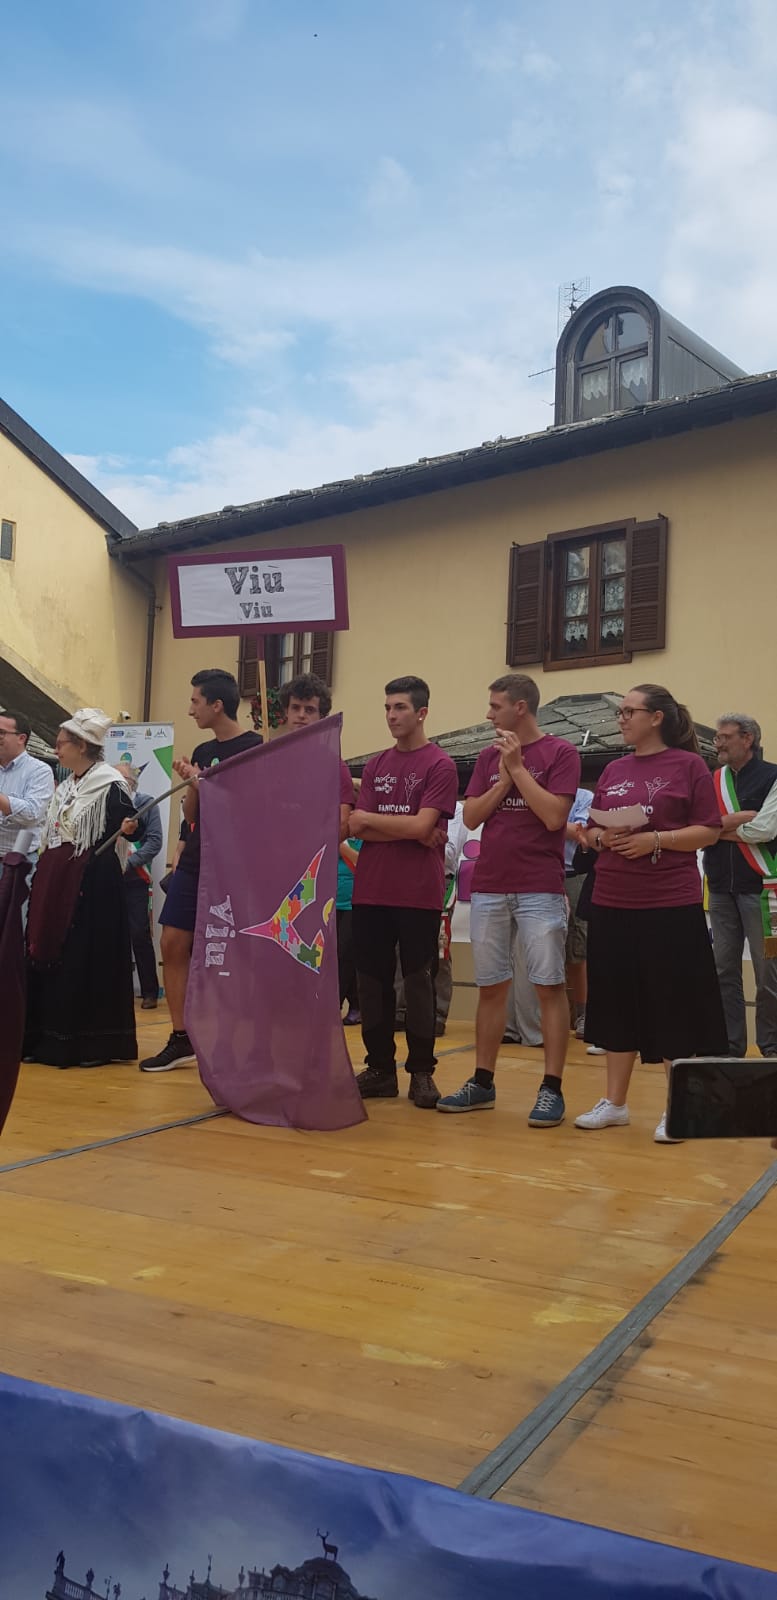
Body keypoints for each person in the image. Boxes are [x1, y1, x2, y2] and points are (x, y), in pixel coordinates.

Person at [574, 684, 727, 1141]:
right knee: (614, 1002)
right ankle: (615, 1103)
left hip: (669, 903)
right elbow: (593, 829)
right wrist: (600, 838)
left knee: (671, 1004)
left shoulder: (689, 765)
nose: (620, 719)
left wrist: (655, 840)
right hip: (612, 899)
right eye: (620, 712)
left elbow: (709, 831)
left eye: (629, 711)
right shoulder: (614, 769)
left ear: (656, 717)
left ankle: (679, 1107)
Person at [437, 674, 579, 1126]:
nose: (488, 714)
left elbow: (554, 817)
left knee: (549, 985)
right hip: (490, 886)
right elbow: (472, 817)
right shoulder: (487, 756)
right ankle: (482, 1082)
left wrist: (517, 770)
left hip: (540, 886)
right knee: (491, 986)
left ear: (521, 707)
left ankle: (551, 1088)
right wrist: (502, 781)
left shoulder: (561, 753)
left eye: (495, 706)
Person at [140, 669, 262, 1072]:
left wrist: (203, 781)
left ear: (217, 705)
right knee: (172, 942)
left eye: (195, 701)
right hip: (196, 859)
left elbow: (247, 808)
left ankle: (237, 1041)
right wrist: (192, 783)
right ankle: (181, 1037)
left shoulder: (255, 748)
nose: (190, 709)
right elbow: (192, 815)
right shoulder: (203, 749)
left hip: (235, 865)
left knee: (231, 954)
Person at [349, 676, 458, 1108]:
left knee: (417, 982)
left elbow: (418, 825)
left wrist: (387, 824)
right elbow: (357, 824)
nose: (392, 716)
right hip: (371, 889)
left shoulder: (440, 765)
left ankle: (422, 1072)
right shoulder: (376, 764)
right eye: (388, 708)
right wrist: (411, 829)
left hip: (417, 893)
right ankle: (379, 1069)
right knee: (371, 983)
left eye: (400, 708)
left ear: (421, 713)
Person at [24, 709, 138, 1068]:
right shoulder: (67, 786)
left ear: (83, 746)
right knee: (45, 946)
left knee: (84, 953)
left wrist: (129, 828)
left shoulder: (109, 785)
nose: (56, 749)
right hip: (57, 876)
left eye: (62, 744)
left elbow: (126, 828)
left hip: (91, 882)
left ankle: (89, 1042)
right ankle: (43, 1036)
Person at [704, 712, 777, 1059]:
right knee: (723, 970)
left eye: (724, 737)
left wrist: (717, 830)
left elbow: (765, 829)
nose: (717, 743)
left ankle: (771, 1046)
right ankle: (730, 1046)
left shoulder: (773, 776)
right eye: (717, 737)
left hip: (762, 889)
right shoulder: (712, 780)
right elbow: (696, 826)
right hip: (720, 888)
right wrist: (733, 821)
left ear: (747, 739)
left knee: (768, 972)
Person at [279, 671, 356, 838]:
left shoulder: (335, 766)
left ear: (322, 717)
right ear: (286, 711)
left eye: (309, 710)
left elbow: (342, 823)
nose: (301, 715)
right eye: (295, 707)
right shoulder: (269, 759)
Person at [119, 766, 164, 1010]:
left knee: (139, 932)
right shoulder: (105, 804)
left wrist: (129, 863)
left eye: (120, 778)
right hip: (109, 877)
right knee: (111, 933)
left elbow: (154, 841)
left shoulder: (146, 804)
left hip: (135, 877)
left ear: (132, 782)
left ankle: (149, 991)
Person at [0, 710, 54, 865]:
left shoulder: (40, 771)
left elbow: (32, 813)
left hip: (18, 861)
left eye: (1, 733)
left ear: (21, 738)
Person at [565, 786, 594, 1037]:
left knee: (578, 950)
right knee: (545, 951)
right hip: (541, 873)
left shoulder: (585, 797)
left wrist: (547, 821)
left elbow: (582, 832)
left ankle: (584, 1014)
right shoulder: (535, 792)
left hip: (574, 875)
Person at [337, 834, 362, 1023]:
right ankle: (356, 1003)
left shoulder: (366, 837)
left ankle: (333, 1004)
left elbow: (363, 864)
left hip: (354, 904)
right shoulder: (329, 833)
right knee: (334, 956)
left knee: (344, 955)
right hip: (329, 904)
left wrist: (341, 847)